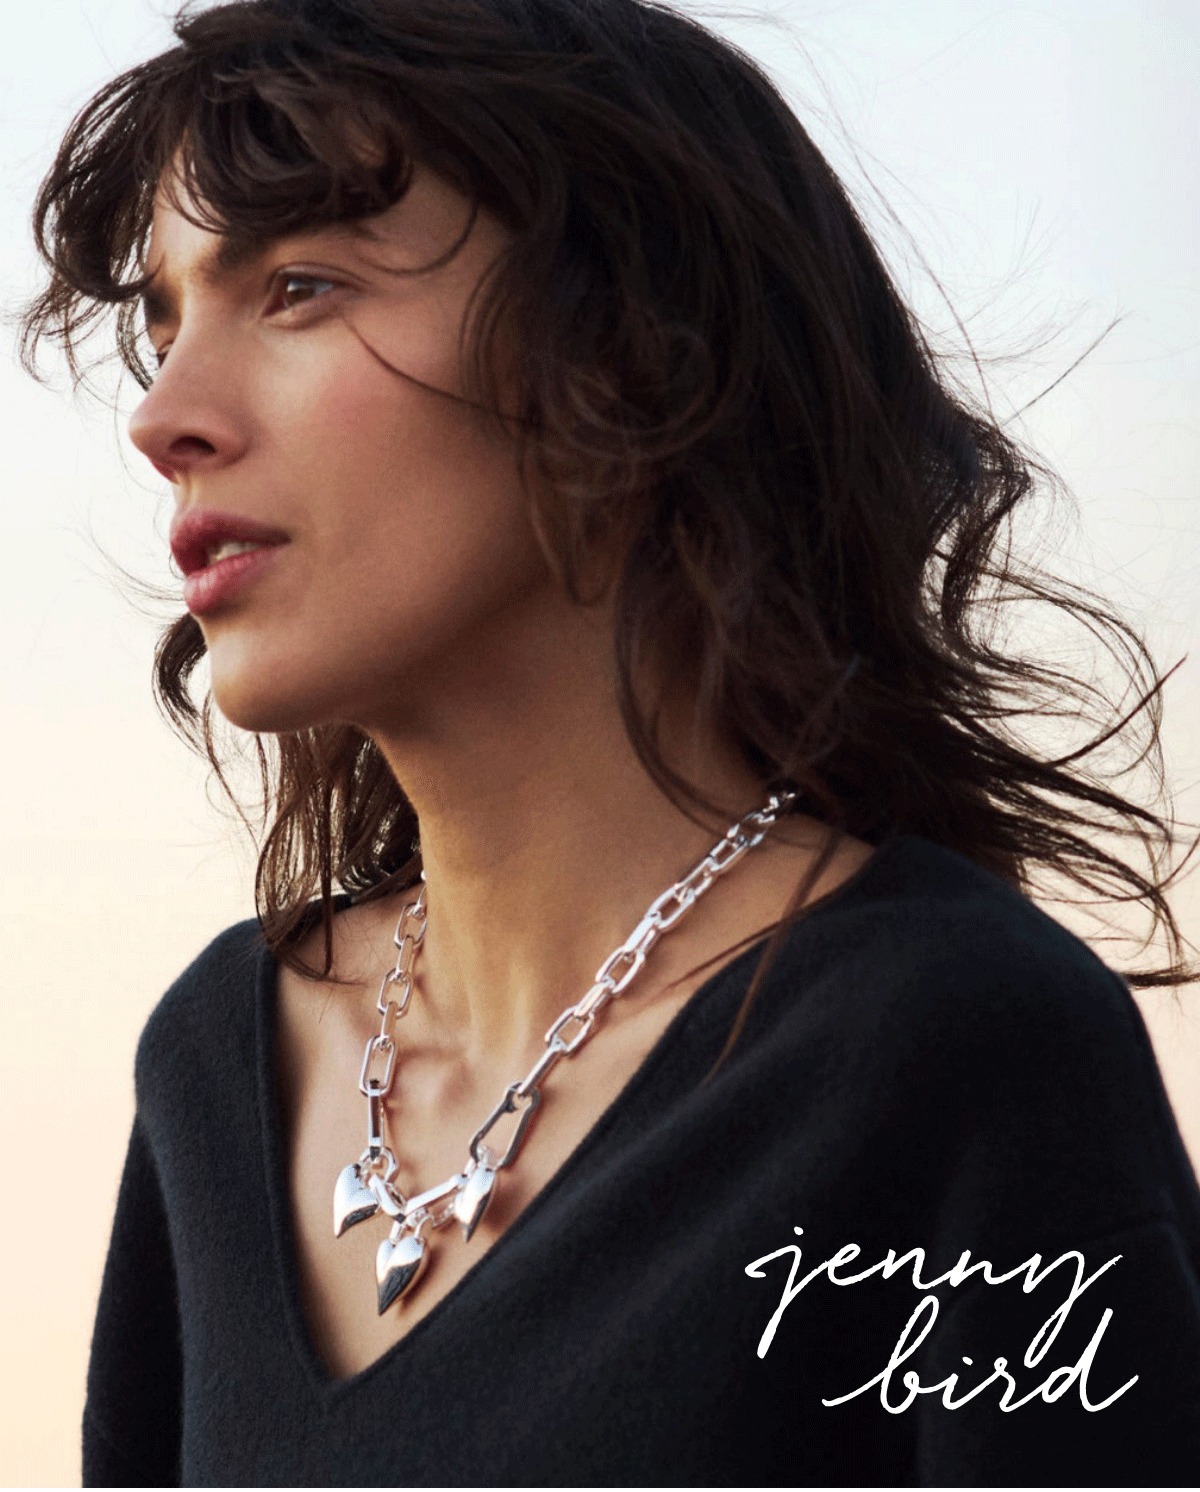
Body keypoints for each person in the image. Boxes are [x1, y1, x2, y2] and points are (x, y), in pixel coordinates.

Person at [23, 0, 1200, 1484]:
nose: (166, 416)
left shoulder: (957, 1047)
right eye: (165, 319)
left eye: (302, 285)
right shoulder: (219, 1063)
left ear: (636, 357)